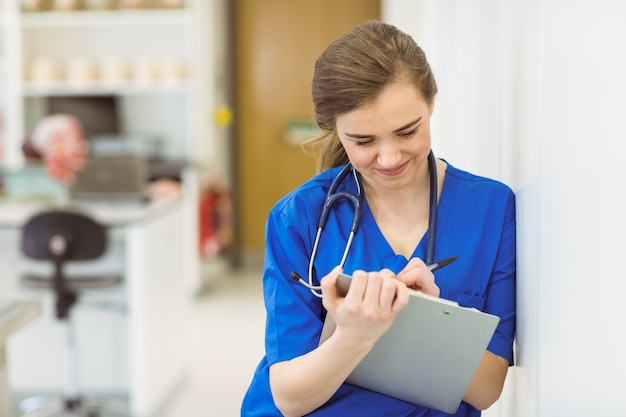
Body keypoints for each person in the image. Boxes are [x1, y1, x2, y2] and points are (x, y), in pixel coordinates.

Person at [241, 20, 515, 417]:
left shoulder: (491, 208)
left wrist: (427, 325)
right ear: (336, 130)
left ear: (431, 105)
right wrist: (355, 335)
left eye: (407, 132)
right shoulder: (299, 217)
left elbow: (487, 390)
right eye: (363, 141)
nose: (389, 159)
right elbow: (289, 398)